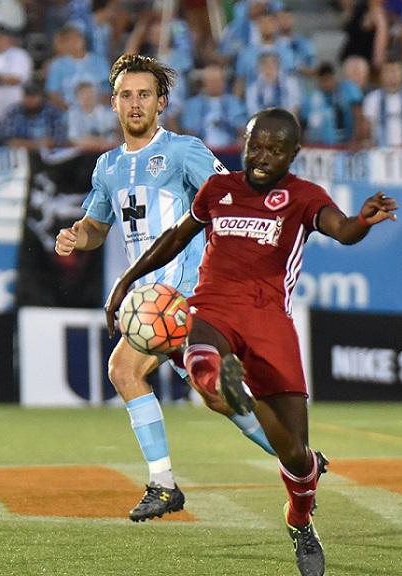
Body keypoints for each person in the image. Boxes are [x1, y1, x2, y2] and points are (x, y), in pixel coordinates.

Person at [104, 107, 397, 576]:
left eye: (275, 150)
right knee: (204, 366)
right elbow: (176, 238)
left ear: (293, 154)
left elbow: (341, 230)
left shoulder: (303, 196)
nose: (262, 157)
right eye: (255, 145)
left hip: (269, 323)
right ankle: (223, 381)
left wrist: (362, 220)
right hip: (211, 311)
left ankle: (299, 519)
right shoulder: (219, 189)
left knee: (297, 456)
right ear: (243, 141)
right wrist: (126, 280)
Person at [53, 54, 279, 523]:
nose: (135, 104)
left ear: (161, 104)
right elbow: (97, 226)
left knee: (123, 369)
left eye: (144, 96)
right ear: (113, 104)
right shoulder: (107, 167)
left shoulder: (182, 150)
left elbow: (228, 198)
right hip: (150, 300)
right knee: (218, 395)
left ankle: (163, 483)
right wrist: (78, 235)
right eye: (126, 96)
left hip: (187, 290)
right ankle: (298, 457)